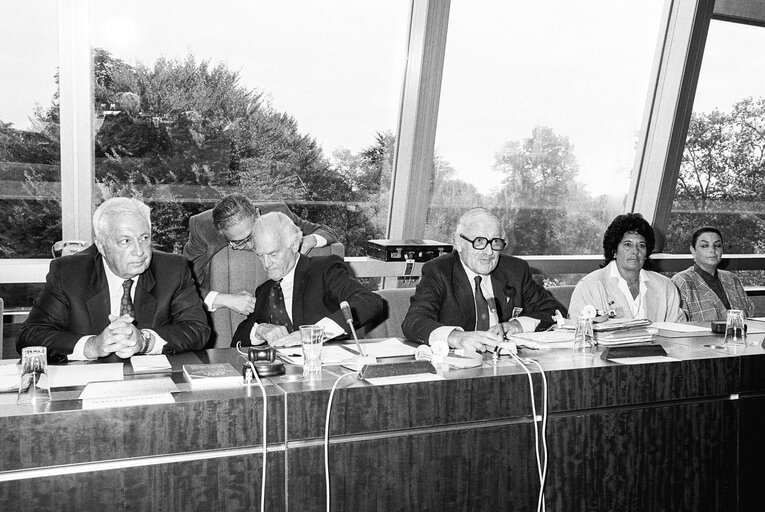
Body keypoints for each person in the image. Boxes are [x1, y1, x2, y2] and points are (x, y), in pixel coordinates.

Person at [17, 197, 210, 361]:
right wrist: (92, 346)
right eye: (125, 241)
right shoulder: (69, 273)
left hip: (153, 383)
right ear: (101, 246)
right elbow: (30, 336)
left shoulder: (172, 269)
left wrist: (144, 341)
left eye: (144, 238)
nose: (140, 251)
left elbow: (198, 330)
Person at [401, 208, 565, 353]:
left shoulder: (515, 269)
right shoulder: (439, 271)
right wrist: (457, 337)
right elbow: (414, 322)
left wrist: (517, 325)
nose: (488, 252)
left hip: (510, 366)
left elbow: (555, 311)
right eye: (479, 242)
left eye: (495, 242)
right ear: (459, 242)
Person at [231, 212, 382, 347]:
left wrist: (313, 334)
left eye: (273, 254)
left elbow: (368, 301)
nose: (266, 264)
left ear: (294, 245)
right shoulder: (265, 291)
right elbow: (237, 342)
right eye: (260, 255)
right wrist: (260, 330)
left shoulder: (324, 270)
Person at [183, 193, 338, 316]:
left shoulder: (279, 214)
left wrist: (308, 241)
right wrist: (224, 299)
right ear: (221, 233)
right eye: (238, 242)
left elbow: (326, 231)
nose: (251, 245)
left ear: (257, 215)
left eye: (251, 235)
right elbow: (184, 285)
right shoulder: (202, 229)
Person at [568, 213, 685, 322]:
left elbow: (679, 331)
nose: (635, 251)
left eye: (641, 245)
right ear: (614, 250)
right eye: (627, 245)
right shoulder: (590, 285)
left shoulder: (665, 287)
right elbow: (579, 332)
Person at [671, 226, 755, 321]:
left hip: (737, 334)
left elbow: (750, 316)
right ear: (693, 251)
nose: (712, 250)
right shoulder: (682, 281)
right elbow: (678, 324)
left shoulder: (731, 279)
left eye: (717, 245)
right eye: (704, 246)